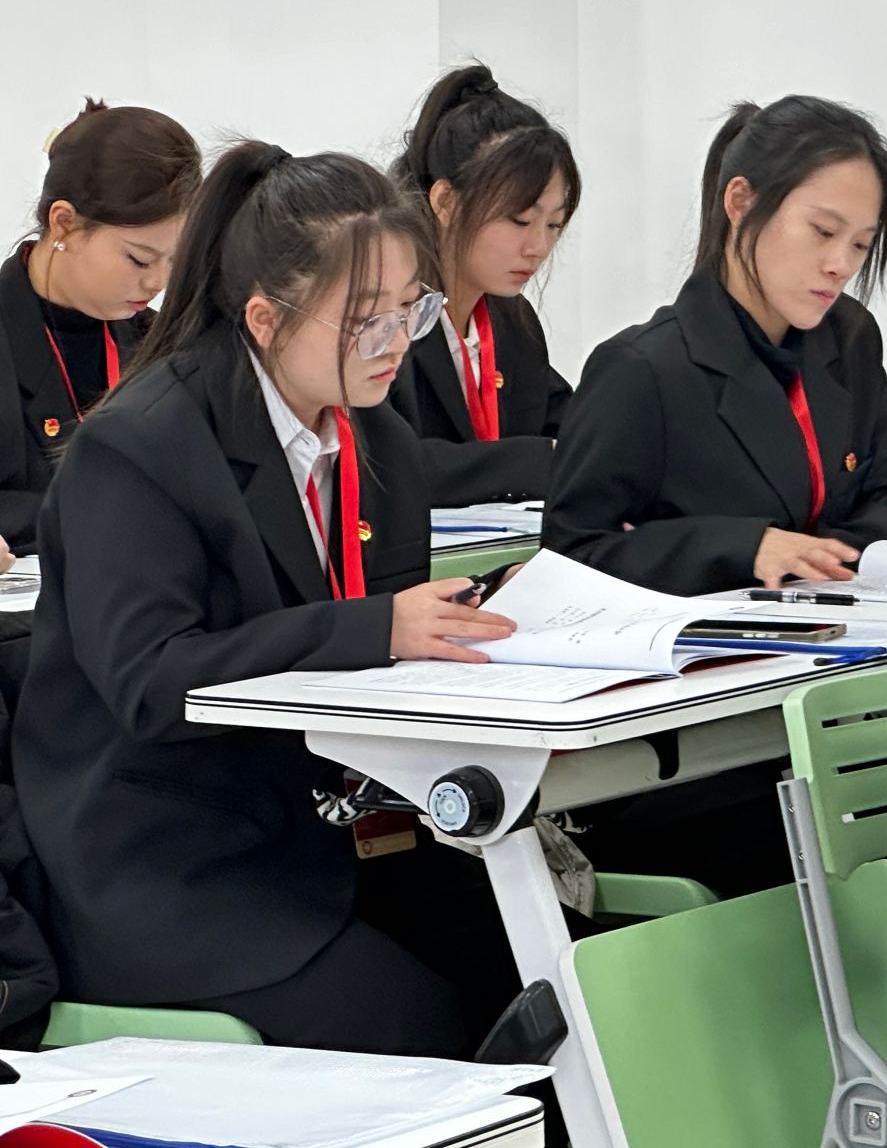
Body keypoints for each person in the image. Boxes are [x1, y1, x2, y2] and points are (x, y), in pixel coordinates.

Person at [11, 144, 516, 1053]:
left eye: (411, 310)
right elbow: (152, 683)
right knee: (418, 1025)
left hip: (331, 832)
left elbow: (381, 643)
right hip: (171, 859)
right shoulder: (139, 448)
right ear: (264, 317)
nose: (395, 342)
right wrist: (377, 629)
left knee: (547, 977)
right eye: (365, 318)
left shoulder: (380, 439)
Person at [545, 94, 887, 596]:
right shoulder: (642, 369)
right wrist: (744, 547)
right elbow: (571, 557)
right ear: (741, 202)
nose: (840, 264)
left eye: (860, 243)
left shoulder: (850, 337)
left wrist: (810, 560)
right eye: (823, 231)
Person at [0, 99, 201, 552]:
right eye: (139, 259)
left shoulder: (168, 346)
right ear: (64, 224)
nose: (158, 282)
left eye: (175, 261)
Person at [390, 63, 579, 505]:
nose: (538, 247)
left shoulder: (513, 321)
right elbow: (386, 463)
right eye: (519, 220)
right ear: (446, 201)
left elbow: (568, 423)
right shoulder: (387, 319)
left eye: (554, 224)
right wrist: (538, 460)